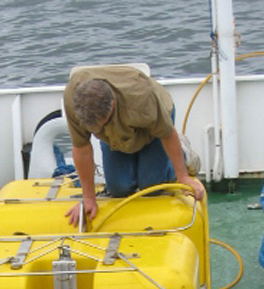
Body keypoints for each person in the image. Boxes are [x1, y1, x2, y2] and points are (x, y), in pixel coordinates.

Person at [63, 65, 205, 227]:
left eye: (102, 125)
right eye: (93, 128)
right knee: (119, 188)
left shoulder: (141, 98)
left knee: (151, 187)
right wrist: (88, 198)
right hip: (114, 137)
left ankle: (183, 152)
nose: (97, 130)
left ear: (113, 105)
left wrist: (183, 176)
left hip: (152, 127)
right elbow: (81, 148)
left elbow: (166, 134)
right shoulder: (73, 100)